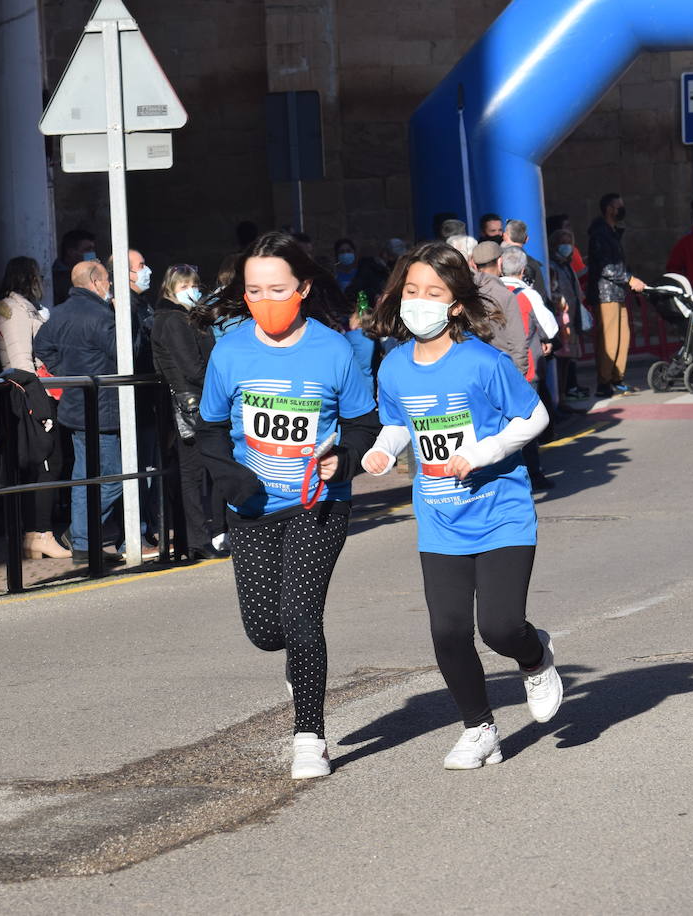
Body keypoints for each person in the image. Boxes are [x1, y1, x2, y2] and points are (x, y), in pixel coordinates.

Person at [361, 241, 562, 770]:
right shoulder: (395, 366)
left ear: (454, 304)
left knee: (500, 627)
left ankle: (536, 657)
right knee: (448, 631)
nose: (418, 301)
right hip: (439, 514)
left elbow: (534, 417)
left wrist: (484, 452)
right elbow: (397, 422)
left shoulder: (483, 361)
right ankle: (480, 729)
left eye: (433, 292)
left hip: (500, 510)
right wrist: (383, 450)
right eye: (411, 290)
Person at [193, 231, 380, 780]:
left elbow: (363, 423)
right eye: (253, 290)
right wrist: (231, 478)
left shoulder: (333, 349)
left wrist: (342, 459)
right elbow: (208, 430)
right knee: (265, 632)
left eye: (277, 289)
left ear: (302, 288)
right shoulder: (229, 350)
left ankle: (310, 737)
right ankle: (299, 663)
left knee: (301, 615)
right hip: (252, 505)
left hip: (317, 503)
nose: (265, 300)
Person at [32, 259, 125, 566]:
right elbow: (126, 355)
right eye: (108, 280)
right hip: (103, 406)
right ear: (96, 282)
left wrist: (67, 376)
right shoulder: (102, 315)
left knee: (85, 474)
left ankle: (83, 540)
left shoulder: (58, 313)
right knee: (114, 477)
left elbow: (41, 346)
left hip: (76, 406)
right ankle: (81, 535)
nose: (110, 285)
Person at [0, 256, 70, 559]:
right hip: (31, 394)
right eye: (37, 275)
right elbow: (21, 361)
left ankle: (37, 533)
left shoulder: (22, 307)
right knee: (47, 460)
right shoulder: (15, 309)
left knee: (45, 462)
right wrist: (39, 403)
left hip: (35, 391)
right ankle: (39, 533)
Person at [149, 264, 226, 560]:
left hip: (194, 399)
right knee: (194, 471)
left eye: (193, 285)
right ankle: (196, 538)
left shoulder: (183, 317)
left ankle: (198, 536)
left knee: (198, 471)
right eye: (183, 286)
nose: (191, 291)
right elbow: (191, 367)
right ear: (171, 289)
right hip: (191, 403)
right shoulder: (174, 320)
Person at [498, 246, 557, 490]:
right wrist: (545, 340)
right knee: (527, 422)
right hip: (525, 367)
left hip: (496, 369)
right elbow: (550, 328)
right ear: (523, 270)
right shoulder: (527, 294)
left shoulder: (487, 291)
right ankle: (534, 474)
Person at [586, 192, 647, 398]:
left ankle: (617, 378)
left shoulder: (612, 232)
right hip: (605, 294)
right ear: (609, 209)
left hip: (617, 292)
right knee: (609, 340)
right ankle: (604, 382)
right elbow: (606, 267)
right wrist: (630, 280)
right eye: (618, 206)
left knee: (623, 337)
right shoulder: (600, 233)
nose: (622, 209)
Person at [448, 236, 530, 378]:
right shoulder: (506, 296)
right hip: (501, 370)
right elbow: (517, 342)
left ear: (473, 264)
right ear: (500, 262)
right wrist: (519, 375)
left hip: (470, 370)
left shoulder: (463, 292)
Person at [547, 229, 589, 402]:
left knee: (568, 359)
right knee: (561, 359)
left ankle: (565, 393)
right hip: (561, 320)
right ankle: (561, 395)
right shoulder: (553, 266)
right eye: (562, 242)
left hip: (570, 318)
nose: (566, 246)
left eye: (568, 242)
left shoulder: (567, 265)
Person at [502, 218, 549, 301]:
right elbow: (541, 295)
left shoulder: (497, 261)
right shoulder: (532, 264)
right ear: (527, 239)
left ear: (504, 236)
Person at [52, 229, 97, 304]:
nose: (91, 253)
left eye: (92, 249)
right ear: (70, 252)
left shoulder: (91, 274)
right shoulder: (55, 278)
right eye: (87, 250)